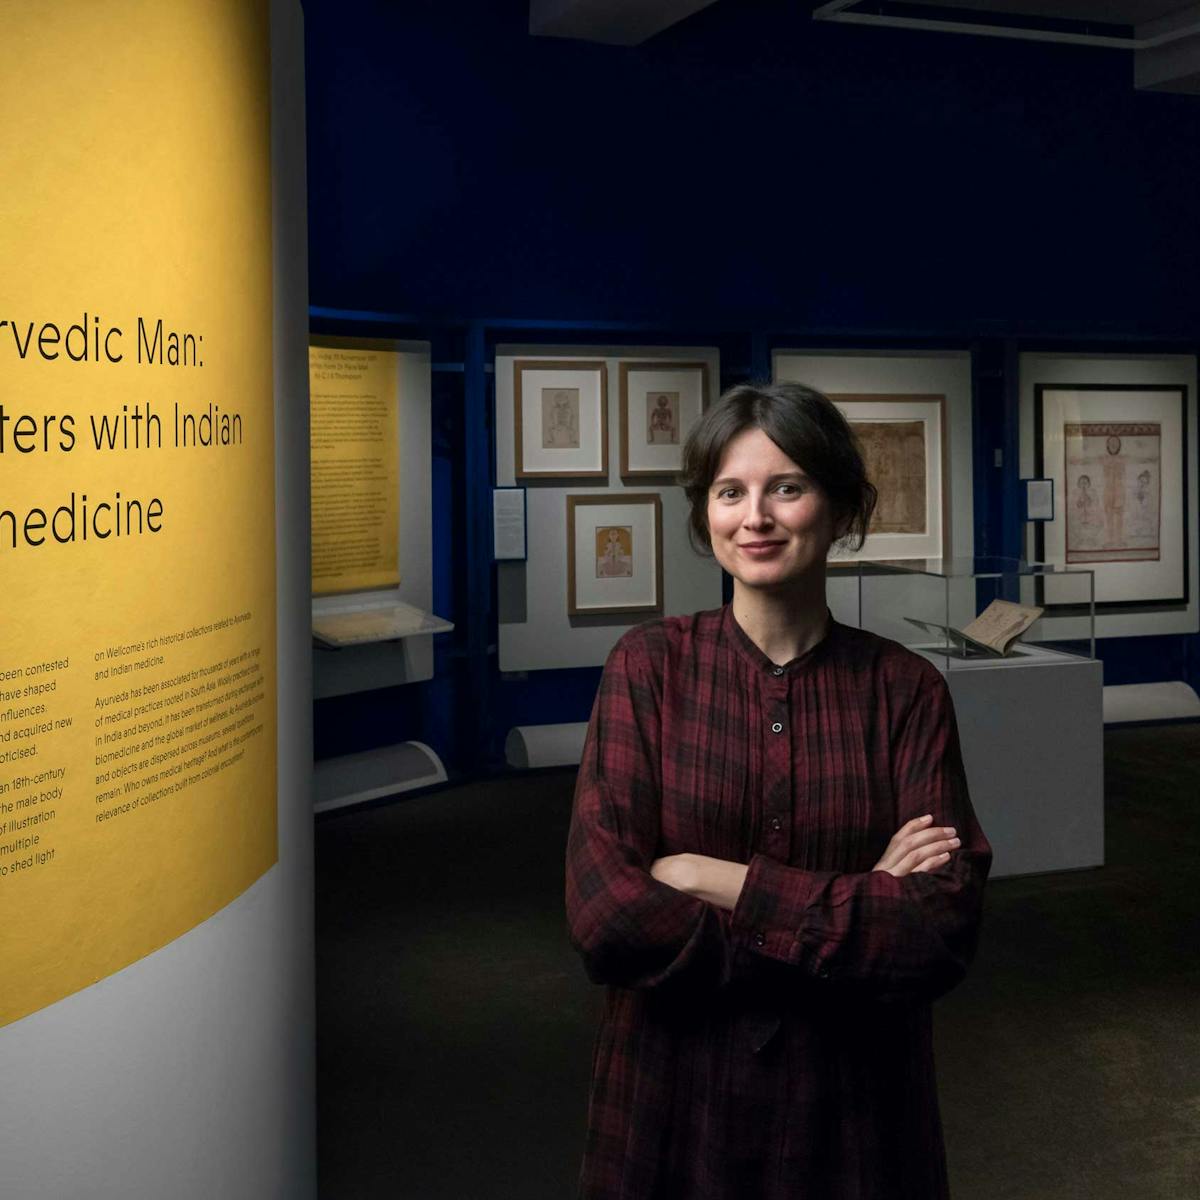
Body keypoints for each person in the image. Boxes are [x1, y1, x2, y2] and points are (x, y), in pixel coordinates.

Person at [565, 381, 992, 1199]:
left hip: (851, 1110)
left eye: (786, 488)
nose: (754, 517)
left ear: (837, 509)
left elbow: (938, 931)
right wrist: (858, 910)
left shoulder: (905, 690)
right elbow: (607, 918)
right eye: (731, 492)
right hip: (673, 1099)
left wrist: (710, 880)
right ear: (707, 515)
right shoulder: (648, 668)